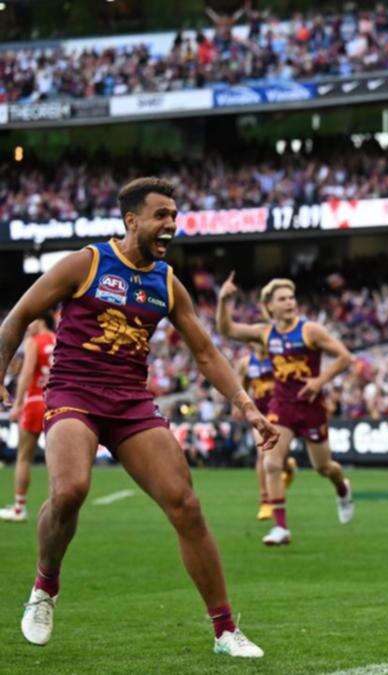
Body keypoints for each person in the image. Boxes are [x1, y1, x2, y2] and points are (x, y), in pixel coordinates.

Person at [0, 177, 274, 657]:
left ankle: (225, 631)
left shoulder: (166, 282)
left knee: (185, 504)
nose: (171, 224)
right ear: (132, 221)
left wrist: (247, 406)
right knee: (69, 491)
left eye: (174, 215)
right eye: (161, 215)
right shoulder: (85, 264)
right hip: (74, 393)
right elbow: (18, 316)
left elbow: (206, 352)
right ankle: (44, 588)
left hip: (130, 402)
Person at [217, 274, 355, 546]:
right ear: (270, 305)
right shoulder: (266, 333)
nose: (290, 302)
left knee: (324, 467)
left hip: (312, 408)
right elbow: (227, 330)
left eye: (291, 297)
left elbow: (344, 357)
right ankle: (281, 528)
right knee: (270, 462)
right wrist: (223, 301)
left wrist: (319, 381)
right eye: (283, 299)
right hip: (282, 407)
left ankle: (342, 487)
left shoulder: (310, 330)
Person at [0, 314, 55, 523]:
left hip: (34, 401)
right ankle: (56, 505)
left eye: (31, 321)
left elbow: (26, 373)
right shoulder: (60, 339)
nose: (28, 326)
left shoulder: (34, 341)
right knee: (54, 459)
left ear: (40, 321)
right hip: (57, 402)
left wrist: (17, 404)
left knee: (24, 457)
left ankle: (19, 507)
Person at [238, 346, 296, 521]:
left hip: (280, 412)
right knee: (263, 453)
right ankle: (265, 501)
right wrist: (242, 407)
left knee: (277, 456)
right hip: (260, 414)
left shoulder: (277, 359)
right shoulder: (246, 363)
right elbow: (242, 387)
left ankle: (288, 467)